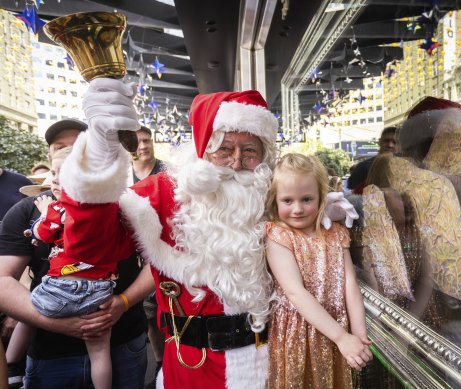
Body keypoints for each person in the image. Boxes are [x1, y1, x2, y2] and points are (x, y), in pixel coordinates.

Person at [51, 80, 357, 388]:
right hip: (190, 366)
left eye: (250, 151)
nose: (237, 162)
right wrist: (99, 155)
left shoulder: (272, 196)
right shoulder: (161, 194)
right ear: (202, 148)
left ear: (264, 155)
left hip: (272, 362)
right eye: (223, 149)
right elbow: (90, 247)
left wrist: (322, 216)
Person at [0, 118, 148, 389]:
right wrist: (58, 323)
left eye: (79, 147)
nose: (70, 155)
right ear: (50, 157)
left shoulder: (128, 204)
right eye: (61, 147)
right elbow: (2, 282)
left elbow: (158, 264)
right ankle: (12, 366)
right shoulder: (25, 209)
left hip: (124, 341)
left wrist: (123, 302)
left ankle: (11, 363)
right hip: (51, 355)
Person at [265, 153, 372, 388]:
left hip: (338, 328)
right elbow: (296, 293)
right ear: (275, 200)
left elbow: (349, 284)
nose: (298, 209)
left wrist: (358, 333)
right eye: (287, 201)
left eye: (306, 199)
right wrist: (342, 337)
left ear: (322, 196)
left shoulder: (336, 234)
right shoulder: (278, 236)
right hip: (299, 332)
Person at [27, 146, 118, 389]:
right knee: (100, 352)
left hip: (61, 287)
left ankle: (13, 362)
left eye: (61, 173)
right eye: (53, 173)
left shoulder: (57, 208)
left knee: (27, 309)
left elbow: (43, 233)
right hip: (100, 289)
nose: (54, 179)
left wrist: (44, 213)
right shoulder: (112, 206)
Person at [130, 125, 166, 388]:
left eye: (147, 139)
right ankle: (160, 360)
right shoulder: (121, 176)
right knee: (148, 314)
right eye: (138, 141)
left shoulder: (169, 171)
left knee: (166, 310)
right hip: (133, 258)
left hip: (163, 254)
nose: (143, 145)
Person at [347, 126, 397, 194]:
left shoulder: (406, 168)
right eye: (386, 141)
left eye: (394, 142)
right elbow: (354, 194)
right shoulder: (363, 167)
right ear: (379, 142)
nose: (390, 145)